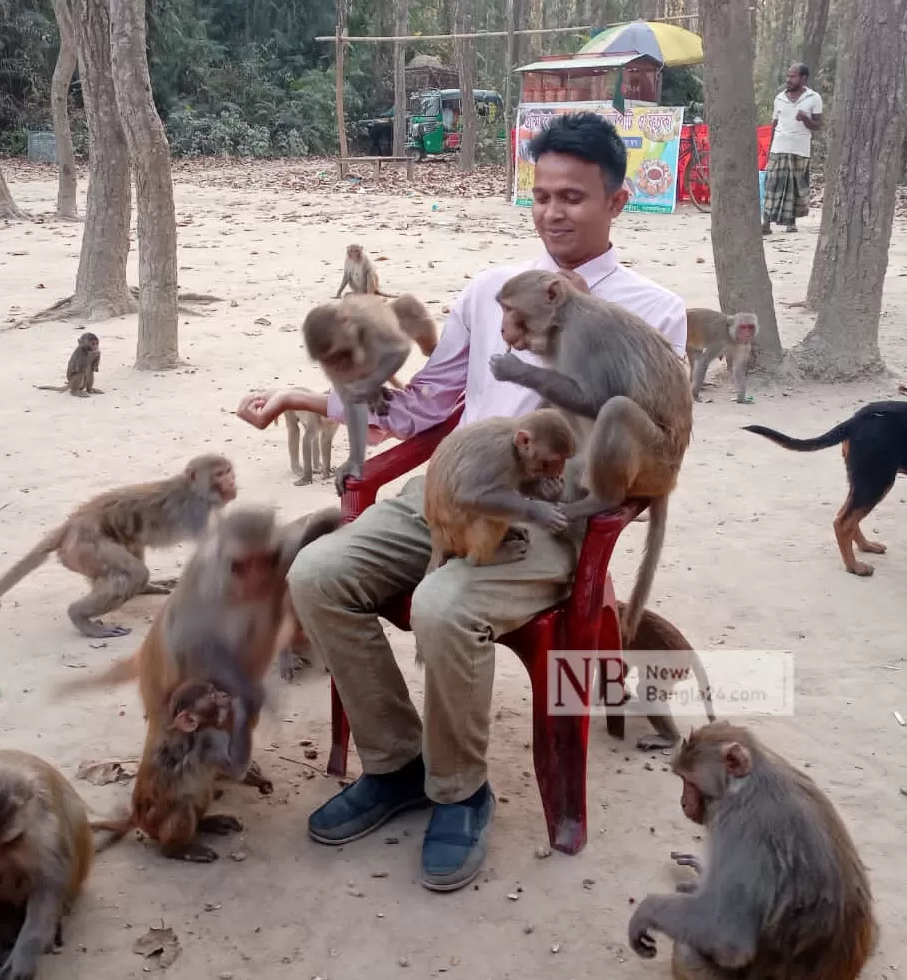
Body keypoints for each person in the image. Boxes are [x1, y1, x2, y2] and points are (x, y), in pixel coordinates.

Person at [234, 112, 687, 893]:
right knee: (316, 573)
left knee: (446, 605)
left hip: (546, 508)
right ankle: (398, 762)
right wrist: (310, 398)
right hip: (448, 485)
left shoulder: (651, 311)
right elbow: (424, 407)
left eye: (574, 197)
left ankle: (461, 790)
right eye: (541, 194)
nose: (552, 212)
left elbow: (647, 448)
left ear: (616, 203)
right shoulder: (489, 291)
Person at [762, 63, 824, 235]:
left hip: (800, 148)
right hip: (779, 147)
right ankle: (766, 222)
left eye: (793, 76)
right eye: (788, 76)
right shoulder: (779, 98)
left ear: (803, 78)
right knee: (773, 185)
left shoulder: (813, 98)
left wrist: (806, 119)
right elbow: (774, 124)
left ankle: (791, 222)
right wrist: (770, 147)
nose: (788, 80)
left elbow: (818, 125)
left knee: (794, 187)